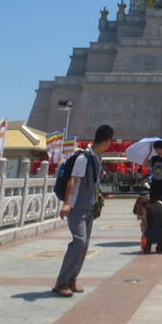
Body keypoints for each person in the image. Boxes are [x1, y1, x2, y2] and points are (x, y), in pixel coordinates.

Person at [52, 123, 114, 297]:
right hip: (77, 207)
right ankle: (61, 282)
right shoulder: (83, 158)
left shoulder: (97, 157)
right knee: (79, 241)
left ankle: (71, 280)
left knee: (84, 244)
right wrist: (67, 203)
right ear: (107, 140)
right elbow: (73, 180)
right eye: (111, 140)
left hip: (89, 207)